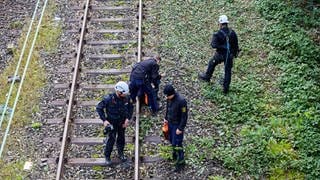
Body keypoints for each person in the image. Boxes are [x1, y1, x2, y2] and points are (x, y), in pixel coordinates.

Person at [198, 15, 240, 94]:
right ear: (227, 23)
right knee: (228, 71)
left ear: (220, 24)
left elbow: (213, 45)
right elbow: (236, 45)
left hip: (220, 54)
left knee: (212, 63)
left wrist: (222, 47)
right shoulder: (232, 32)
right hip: (230, 55)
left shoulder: (217, 34)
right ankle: (225, 89)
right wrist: (234, 53)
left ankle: (207, 77)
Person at [96, 81, 133, 166]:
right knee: (111, 140)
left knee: (121, 139)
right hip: (112, 123)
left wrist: (128, 119)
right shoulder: (108, 99)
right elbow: (99, 108)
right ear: (119, 92)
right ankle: (107, 156)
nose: (126, 95)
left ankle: (121, 153)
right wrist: (104, 120)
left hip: (122, 123)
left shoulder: (127, 98)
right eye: (124, 93)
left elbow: (131, 108)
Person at [163, 84, 188, 172]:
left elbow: (184, 116)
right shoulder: (169, 99)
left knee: (178, 144)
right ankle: (174, 155)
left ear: (172, 93)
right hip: (170, 123)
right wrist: (166, 118)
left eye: (168, 96)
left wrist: (180, 128)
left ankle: (180, 162)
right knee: (171, 140)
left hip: (177, 125)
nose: (167, 98)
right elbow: (168, 108)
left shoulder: (181, 101)